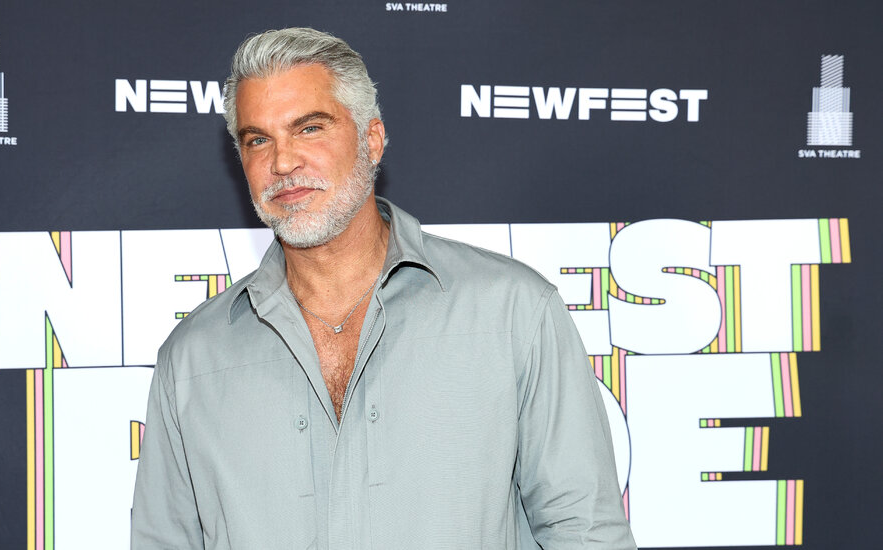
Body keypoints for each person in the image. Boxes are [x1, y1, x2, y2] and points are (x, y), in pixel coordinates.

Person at [131, 27, 637, 550]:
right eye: (258, 139)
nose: (281, 162)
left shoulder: (513, 312)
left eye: (309, 128)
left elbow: (585, 532)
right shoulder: (191, 358)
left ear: (371, 140)